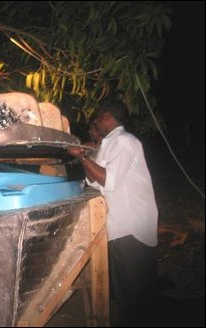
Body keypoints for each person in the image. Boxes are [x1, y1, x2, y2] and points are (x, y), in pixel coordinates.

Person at [68, 101, 159, 326]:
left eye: (98, 118)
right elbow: (95, 180)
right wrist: (87, 156)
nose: (95, 123)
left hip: (132, 226)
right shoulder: (109, 144)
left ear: (109, 117)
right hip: (121, 226)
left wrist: (81, 157)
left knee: (134, 296)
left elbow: (109, 180)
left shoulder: (124, 141)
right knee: (128, 293)